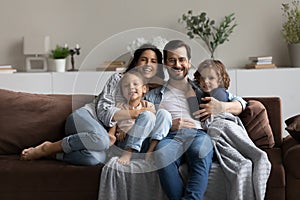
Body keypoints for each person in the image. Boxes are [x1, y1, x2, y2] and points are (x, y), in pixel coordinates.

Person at [20, 43, 167, 166]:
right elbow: (103, 111)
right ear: (135, 62)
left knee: (95, 159)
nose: (148, 64)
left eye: (153, 61)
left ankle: (55, 155)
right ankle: (48, 148)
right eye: (144, 59)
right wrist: (134, 114)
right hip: (87, 118)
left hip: (106, 143)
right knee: (102, 140)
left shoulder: (154, 93)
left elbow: (149, 122)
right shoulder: (118, 79)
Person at [144, 40, 247, 199]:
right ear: (165, 64)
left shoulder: (203, 87)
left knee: (201, 151)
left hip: (198, 134)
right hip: (169, 137)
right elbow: (143, 122)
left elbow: (241, 104)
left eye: (181, 59)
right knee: (162, 154)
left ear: (189, 62)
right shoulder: (153, 95)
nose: (177, 64)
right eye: (172, 60)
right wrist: (169, 124)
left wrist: (221, 107)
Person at [109, 69, 171, 165]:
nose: (131, 87)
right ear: (122, 92)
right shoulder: (119, 106)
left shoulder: (148, 105)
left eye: (135, 84)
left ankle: (151, 150)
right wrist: (117, 130)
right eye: (126, 86)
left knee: (163, 113)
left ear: (144, 89)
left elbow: (152, 122)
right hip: (125, 142)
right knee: (147, 115)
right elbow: (112, 121)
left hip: (145, 143)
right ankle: (128, 153)